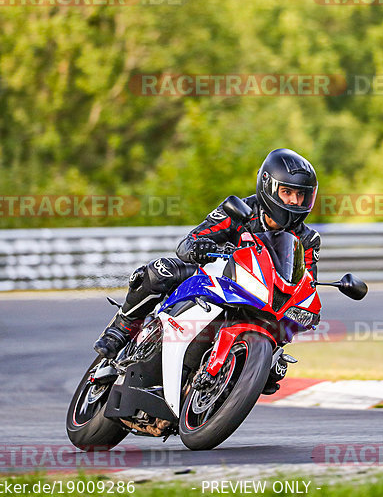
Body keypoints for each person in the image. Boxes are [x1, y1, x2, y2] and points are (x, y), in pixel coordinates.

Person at [93, 148, 321, 392]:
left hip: (261, 299)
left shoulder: (308, 240)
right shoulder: (240, 209)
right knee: (161, 270)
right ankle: (123, 326)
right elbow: (189, 241)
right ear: (268, 186)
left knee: (281, 346)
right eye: (287, 192)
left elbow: (304, 282)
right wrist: (198, 246)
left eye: (301, 195)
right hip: (216, 276)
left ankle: (261, 358)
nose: (295, 202)